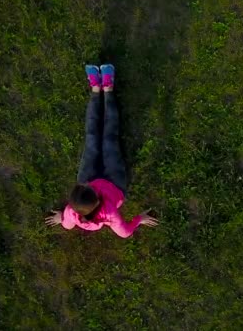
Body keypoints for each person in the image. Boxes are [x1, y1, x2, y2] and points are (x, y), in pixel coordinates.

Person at [45, 64, 159, 238]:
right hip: (114, 183)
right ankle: (108, 88)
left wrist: (61, 218)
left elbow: (67, 225)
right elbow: (125, 233)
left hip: (90, 174)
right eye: (90, 189)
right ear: (97, 201)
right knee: (108, 138)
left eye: (84, 187)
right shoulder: (109, 212)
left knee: (91, 136)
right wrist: (139, 219)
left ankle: (95, 89)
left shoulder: (72, 211)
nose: (92, 185)